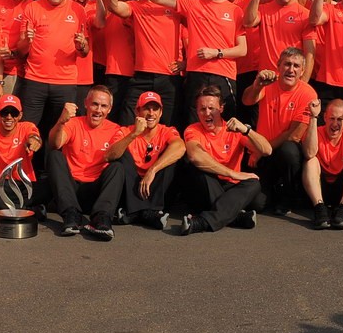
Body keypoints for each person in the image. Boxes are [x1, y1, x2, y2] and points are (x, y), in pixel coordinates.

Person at [152, 0, 248, 122]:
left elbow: (242, 49)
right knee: (193, 122)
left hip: (224, 75)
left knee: (224, 123)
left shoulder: (235, 11)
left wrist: (216, 53)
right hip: (197, 74)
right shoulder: (193, 2)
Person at [102, 0, 183, 125]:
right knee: (127, 123)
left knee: (168, 126)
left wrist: (186, 63)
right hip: (141, 76)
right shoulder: (135, 7)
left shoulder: (175, 5)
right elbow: (113, 5)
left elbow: (194, 35)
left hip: (169, 77)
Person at [180, 84, 272, 234]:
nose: (207, 113)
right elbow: (195, 156)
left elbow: (266, 150)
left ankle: (205, 220)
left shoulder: (234, 129)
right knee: (198, 172)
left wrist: (246, 130)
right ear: (197, 111)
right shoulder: (193, 129)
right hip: (210, 184)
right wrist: (233, 173)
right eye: (202, 109)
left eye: (212, 108)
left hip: (232, 187)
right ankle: (233, 215)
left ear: (221, 108)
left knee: (255, 185)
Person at [240, 47, 318, 215]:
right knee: (256, 204)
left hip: (281, 151)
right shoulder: (269, 83)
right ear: (278, 66)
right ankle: (272, 192)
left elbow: (294, 134)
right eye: (287, 64)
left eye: (296, 66)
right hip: (263, 150)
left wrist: (262, 150)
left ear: (302, 71)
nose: (291, 70)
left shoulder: (307, 93)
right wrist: (256, 85)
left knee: (289, 150)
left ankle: (288, 196)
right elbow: (247, 100)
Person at [13, 0, 89, 137]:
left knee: (61, 131)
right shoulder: (32, 8)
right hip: (34, 80)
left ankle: (55, 164)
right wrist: (27, 42)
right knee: (27, 131)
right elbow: (21, 51)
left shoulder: (78, 10)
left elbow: (85, 52)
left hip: (65, 83)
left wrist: (82, 45)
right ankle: (28, 164)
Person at [48, 86, 126, 238]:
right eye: (94, 104)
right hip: (70, 189)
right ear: (86, 104)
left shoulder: (116, 129)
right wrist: (61, 122)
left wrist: (134, 134)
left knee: (117, 167)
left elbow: (114, 155)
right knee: (54, 156)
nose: (98, 110)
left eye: (103, 106)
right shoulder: (74, 123)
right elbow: (55, 144)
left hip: (96, 191)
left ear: (109, 109)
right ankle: (71, 215)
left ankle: (102, 217)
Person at [105, 91, 184, 229]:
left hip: (155, 186)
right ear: (137, 111)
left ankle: (135, 212)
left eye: (155, 109)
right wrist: (134, 134)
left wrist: (152, 170)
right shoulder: (125, 130)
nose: (151, 113)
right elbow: (109, 155)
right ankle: (148, 213)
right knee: (120, 153)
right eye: (147, 108)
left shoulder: (166, 131)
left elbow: (180, 147)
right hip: (132, 188)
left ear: (160, 113)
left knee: (172, 156)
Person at [0, 94, 49, 213]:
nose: (9, 117)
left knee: (50, 185)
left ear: (20, 115)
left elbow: (34, 136)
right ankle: (25, 209)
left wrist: (34, 141)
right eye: (4, 112)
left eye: (14, 113)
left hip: (23, 185)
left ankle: (1, 207)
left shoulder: (27, 127)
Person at [306, 97, 343, 230]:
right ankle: (319, 208)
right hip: (319, 188)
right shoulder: (317, 131)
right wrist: (313, 117)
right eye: (332, 118)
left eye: (340, 119)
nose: (335, 124)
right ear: (325, 117)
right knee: (311, 161)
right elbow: (309, 152)